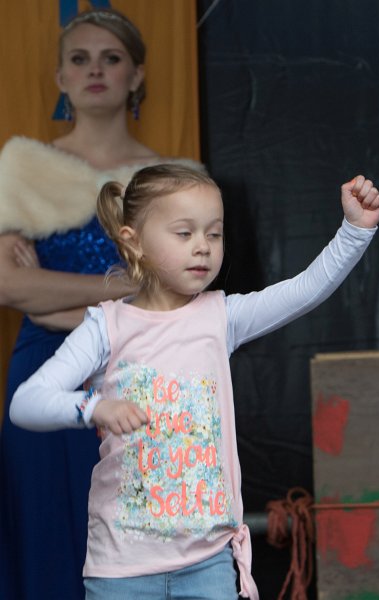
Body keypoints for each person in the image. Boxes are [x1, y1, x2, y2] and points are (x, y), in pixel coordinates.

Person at [9, 165, 379, 600]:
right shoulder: (105, 326)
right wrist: (94, 407)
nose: (203, 247)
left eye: (215, 233)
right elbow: (26, 402)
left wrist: (354, 232)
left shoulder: (221, 316)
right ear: (133, 240)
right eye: (184, 233)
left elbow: (304, 290)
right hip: (122, 569)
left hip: (207, 565)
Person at [0, 8, 202, 600]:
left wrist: (56, 297)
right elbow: (12, 290)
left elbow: (178, 293)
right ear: (60, 78)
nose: (95, 71)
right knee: (48, 535)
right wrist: (123, 287)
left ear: (136, 75)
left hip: (144, 379)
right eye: (79, 59)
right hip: (45, 375)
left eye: (111, 58)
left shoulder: (172, 179)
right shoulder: (21, 168)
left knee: (137, 544)